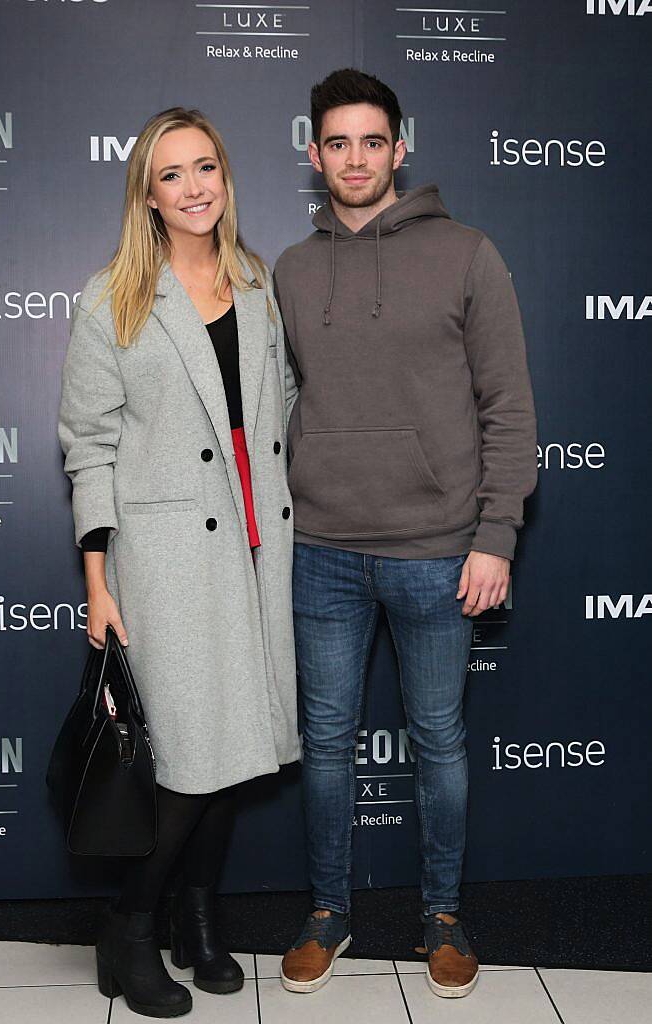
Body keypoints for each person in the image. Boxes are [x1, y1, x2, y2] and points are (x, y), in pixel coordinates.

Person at [274, 69, 537, 999]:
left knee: (438, 741)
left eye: (371, 141)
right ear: (313, 154)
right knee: (326, 738)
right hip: (322, 553)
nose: (354, 158)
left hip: (437, 552)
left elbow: (507, 406)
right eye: (336, 143)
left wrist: (495, 533)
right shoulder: (292, 269)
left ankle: (441, 916)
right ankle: (326, 912)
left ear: (400, 147)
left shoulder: (468, 253)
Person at [58, 106, 299, 1018]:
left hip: (258, 539)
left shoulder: (257, 282)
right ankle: (128, 927)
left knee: (239, 744)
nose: (194, 187)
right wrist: (96, 582)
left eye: (207, 167)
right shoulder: (113, 296)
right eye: (172, 174)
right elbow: (88, 445)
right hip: (163, 554)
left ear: (227, 178)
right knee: (191, 752)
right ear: (146, 194)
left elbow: (278, 410)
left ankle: (199, 918)